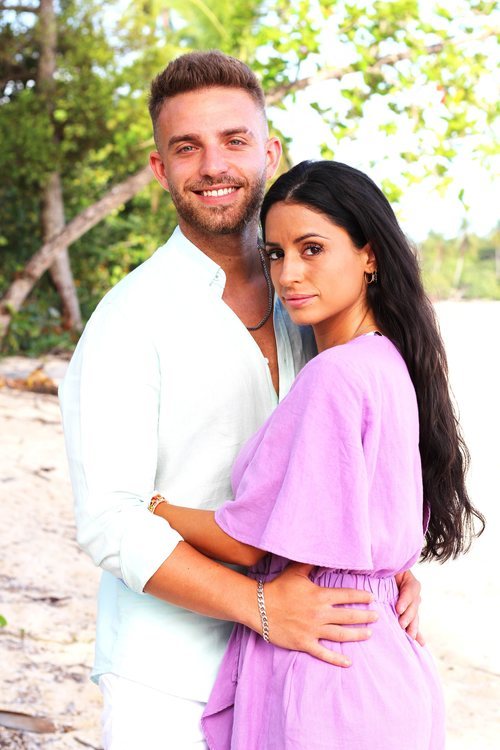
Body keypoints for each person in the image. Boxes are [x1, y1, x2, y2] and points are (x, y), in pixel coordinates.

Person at [59, 52, 423, 750]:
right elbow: (109, 518)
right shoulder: (130, 318)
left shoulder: (313, 300)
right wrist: (261, 606)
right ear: (160, 168)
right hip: (169, 675)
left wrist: (381, 565)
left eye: (234, 139)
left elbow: (347, 462)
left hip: (301, 671)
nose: (213, 165)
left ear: (270, 152)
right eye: (186, 147)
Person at [151, 160, 485, 749]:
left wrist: (154, 509)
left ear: (369, 255)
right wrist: (386, 575)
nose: (288, 274)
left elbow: (249, 542)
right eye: (275, 253)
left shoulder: (335, 376)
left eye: (312, 249)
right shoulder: (391, 362)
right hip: (382, 659)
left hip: (331, 670)